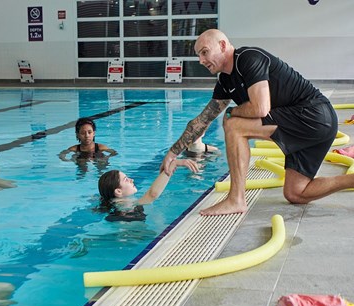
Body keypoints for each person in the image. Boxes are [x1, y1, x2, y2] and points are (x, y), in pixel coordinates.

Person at [161, 29, 351, 216]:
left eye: (204, 52)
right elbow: (203, 120)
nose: (201, 60)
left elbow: (261, 108)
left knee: (233, 125)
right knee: (296, 193)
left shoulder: (248, 58)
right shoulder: (226, 80)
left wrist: (232, 112)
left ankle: (236, 199)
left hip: (314, 116)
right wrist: (172, 154)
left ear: (222, 45)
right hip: (308, 125)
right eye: (198, 55)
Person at [99, 158, 199, 208]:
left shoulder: (116, 206)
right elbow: (153, 194)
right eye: (126, 179)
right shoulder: (127, 207)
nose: (132, 180)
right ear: (118, 191)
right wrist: (174, 163)